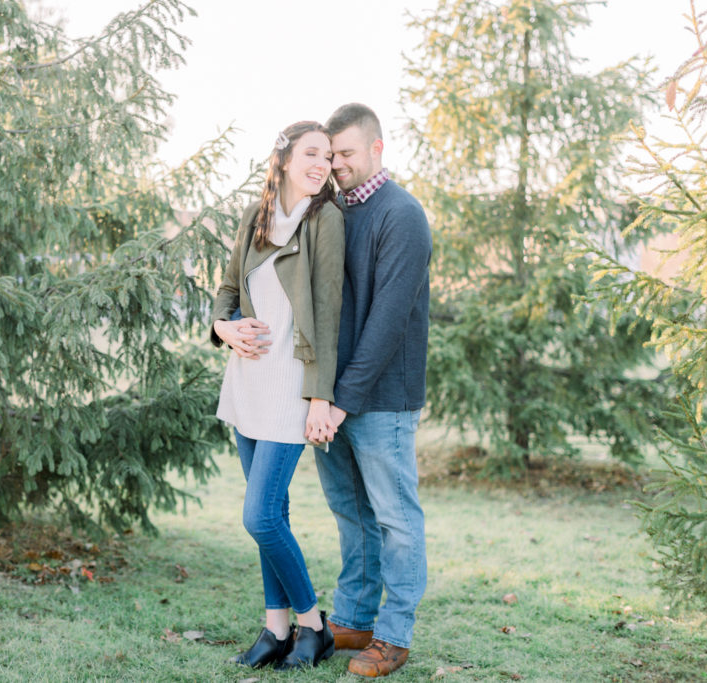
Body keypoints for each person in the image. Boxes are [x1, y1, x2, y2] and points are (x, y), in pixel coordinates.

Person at [210, 121, 345, 670]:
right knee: (276, 512)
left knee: (260, 516)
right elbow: (226, 290)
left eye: (330, 156)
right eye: (312, 152)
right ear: (284, 157)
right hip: (247, 385)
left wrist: (320, 397)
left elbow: (330, 314)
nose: (322, 164)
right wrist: (224, 327)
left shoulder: (325, 220)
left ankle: (313, 624)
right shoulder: (256, 216)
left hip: (292, 388)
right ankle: (275, 629)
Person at [314, 103, 432, 678]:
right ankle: (355, 618)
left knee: (394, 518)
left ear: (377, 148)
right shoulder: (337, 213)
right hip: (332, 398)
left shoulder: (401, 214)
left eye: (347, 153)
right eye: (332, 154)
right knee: (349, 513)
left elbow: (387, 321)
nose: (337, 164)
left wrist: (342, 400)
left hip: (381, 398)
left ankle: (394, 634)